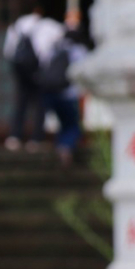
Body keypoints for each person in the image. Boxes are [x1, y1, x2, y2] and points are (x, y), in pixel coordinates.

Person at [3, 3, 65, 151]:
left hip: (20, 71)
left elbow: (8, 52)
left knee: (21, 103)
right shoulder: (46, 24)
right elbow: (62, 36)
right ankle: (36, 139)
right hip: (38, 70)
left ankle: (14, 137)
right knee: (40, 104)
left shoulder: (15, 26)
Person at [36, 27, 88, 165]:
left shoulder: (54, 48)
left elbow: (42, 65)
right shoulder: (78, 50)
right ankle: (65, 148)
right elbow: (83, 72)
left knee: (61, 123)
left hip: (49, 93)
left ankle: (52, 143)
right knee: (72, 125)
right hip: (68, 95)